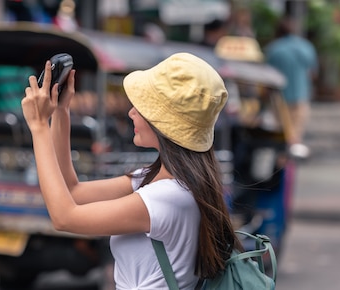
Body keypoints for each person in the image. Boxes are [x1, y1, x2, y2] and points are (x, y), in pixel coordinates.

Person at [21, 53, 240, 289]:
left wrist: (39, 126)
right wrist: (61, 112)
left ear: (164, 122)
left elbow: (64, 218)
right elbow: (72, 191)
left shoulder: (166, 197)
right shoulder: (168, 182)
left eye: (143, 106)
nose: (131, 112)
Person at [265, 17, 318, 158]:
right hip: (301, 95)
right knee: (296, 135)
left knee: (282, 134)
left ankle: (281, 166)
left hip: (279, 98)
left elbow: (267, 76)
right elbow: (313, 73)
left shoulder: (274, 49)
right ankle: (289, 169)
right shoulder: (306, 47)